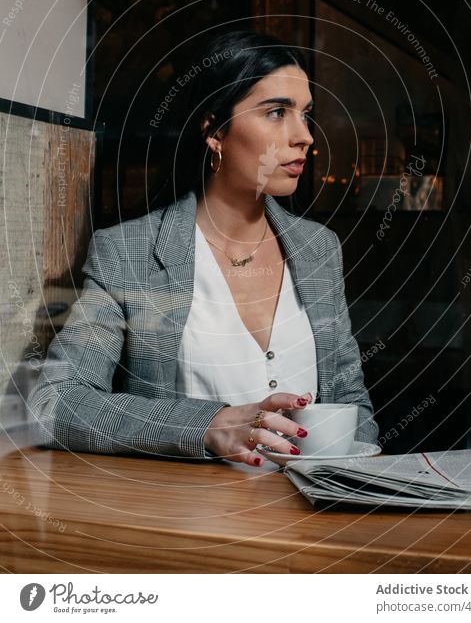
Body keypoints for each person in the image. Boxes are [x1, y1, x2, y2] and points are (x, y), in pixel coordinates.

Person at [28, 30, 378, 467]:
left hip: (311, 521)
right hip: (189, 519)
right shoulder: (130, 252)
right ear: (214, 130)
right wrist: (207, 425)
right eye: (276, 112)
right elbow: (55, 404)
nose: (303, 135)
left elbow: (352, 404)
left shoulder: (318, 249)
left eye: (305, 114)